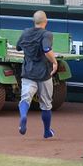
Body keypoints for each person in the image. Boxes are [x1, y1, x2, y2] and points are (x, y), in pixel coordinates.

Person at [16, 10, 58, 138]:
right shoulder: (47, 34)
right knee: (46, 104)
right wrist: (55, 62)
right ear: (46, 21)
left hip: (28, 71)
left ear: (34, 21)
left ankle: (23, 116)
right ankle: (46, 131)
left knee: (25, 98)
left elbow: (18, 47)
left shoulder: (25, 32)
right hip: (44, 73)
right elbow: (46, 50)